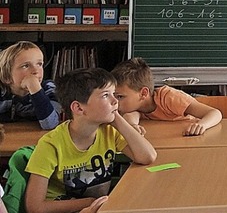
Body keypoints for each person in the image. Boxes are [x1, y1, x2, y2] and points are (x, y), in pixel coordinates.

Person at [23, 68, 157, 213]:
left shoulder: (108, 131)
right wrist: (88, 203)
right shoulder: (50, 145)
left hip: (96, 207)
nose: (115, 101)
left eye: (114, 94)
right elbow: (35, 207)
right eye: (106, 95)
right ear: (78, 108)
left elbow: (147, 157)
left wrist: (117, 119)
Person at [111, 57, 222, 136]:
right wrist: (132, 126)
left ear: (143, 93)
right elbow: (131, 116)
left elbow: (215, 113)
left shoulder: (169, 97)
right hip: (162, 141)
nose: (114, 101)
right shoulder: (134, 107)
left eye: (120, 97)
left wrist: (202, 125)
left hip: (189, 139)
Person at [0, 41, 61, 129]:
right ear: (7, 77)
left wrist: (36, 90)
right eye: (26, 66)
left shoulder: (50, 88)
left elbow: (50, 124)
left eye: (39, 64)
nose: (35, 71)